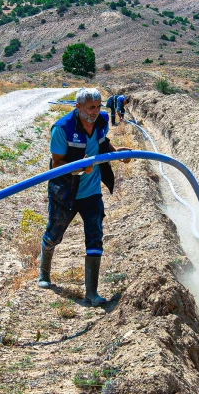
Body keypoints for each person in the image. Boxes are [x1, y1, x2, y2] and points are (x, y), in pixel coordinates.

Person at [38, 88, 130, 307]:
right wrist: (80, 169)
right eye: (91, 107)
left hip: (91, 192)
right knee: (54, 233)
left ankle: (91, 293)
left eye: (98, 107)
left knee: (95, 235)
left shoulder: (101, 121)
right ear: (77, 107)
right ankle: (44, 274)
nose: (95, 112)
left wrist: (117, 152)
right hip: (66, 191)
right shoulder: (62, 128)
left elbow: (101, 142)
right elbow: (57, 164)